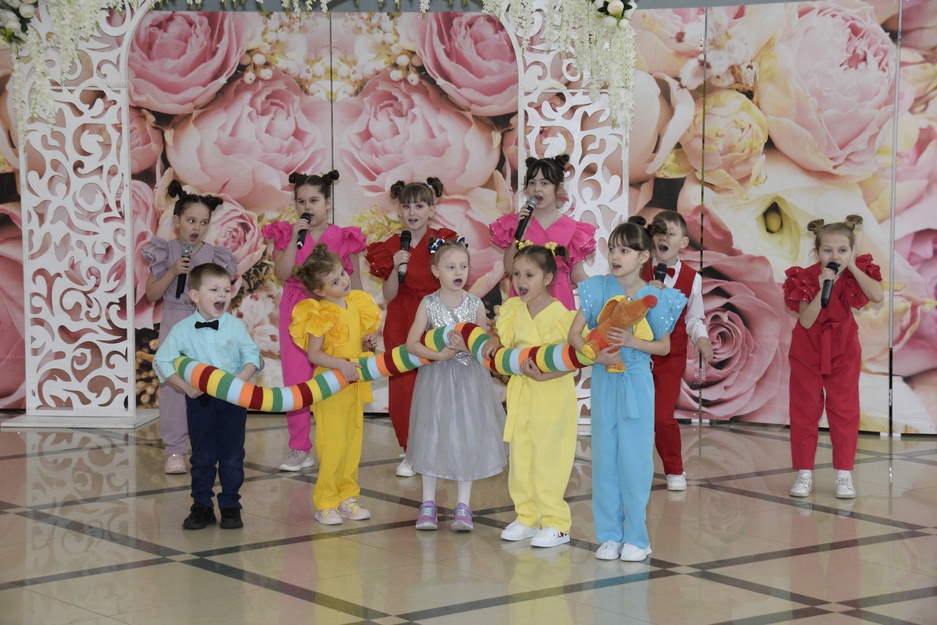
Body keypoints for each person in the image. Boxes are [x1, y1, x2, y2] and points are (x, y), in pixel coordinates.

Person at [568, 217, 686, 561]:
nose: (616, 257)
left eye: (625, 251)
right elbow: (574, 335)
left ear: (644, 257)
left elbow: (664, 346)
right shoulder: (597, 288)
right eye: (612, 250)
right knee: (605, 457)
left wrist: (634, 342)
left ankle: (637, 537)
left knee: (634, 460)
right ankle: (609, 535)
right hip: (604, 379)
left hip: (636, 381)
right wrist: (595, 355)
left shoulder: (654, 296)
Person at [261, 171, 367, 473]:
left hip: (335, 314)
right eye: (301, 201)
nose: (307, 207)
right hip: (296, 312)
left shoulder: (344, 237)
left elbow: (355, 284)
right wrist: (294, 239)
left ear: (328, 203)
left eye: (314, 200)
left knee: (337, 376)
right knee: (297, 379)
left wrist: (362, 322)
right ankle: (299, 448)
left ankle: (338, 444)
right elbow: (282, 274)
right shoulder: (288, 234)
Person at [403, 239, 507, 531]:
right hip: (436, 379)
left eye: (463, 266)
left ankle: (463, 505)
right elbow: (411, 343)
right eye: (450, 267)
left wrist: (468, 347)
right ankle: (428, 504)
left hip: (468, 380)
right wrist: (438, 355)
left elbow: (483, 346)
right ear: (436, 271)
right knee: (432, 435)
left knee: (466, 436)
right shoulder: (428, 303)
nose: (458, 272)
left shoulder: (475, 304)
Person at [152, 263, 263, 530]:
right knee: (202, 456)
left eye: (226, 289)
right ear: (195, 295)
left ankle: (231, 505)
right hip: (200, 401)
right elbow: (161, 361)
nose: (222, 295)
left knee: (232, 455)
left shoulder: (235, 326)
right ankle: (201, 505)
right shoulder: (182, 329)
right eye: (213, 290)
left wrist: (240, 380)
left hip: (233, 400)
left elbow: (253, 356)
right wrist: (185, 388)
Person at [782, 215, 882, 500]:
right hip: (807, 351)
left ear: (852, 251)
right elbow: (806, 320)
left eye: (842, 250)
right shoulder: (805, 277)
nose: (834, 256)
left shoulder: (853, 274)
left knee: (844, 411)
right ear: (817, 252)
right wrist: (822, 285)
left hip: (843, 350)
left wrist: (852, 266)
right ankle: (804, 473)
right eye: (828, 250)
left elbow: (877, 295)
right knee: (804, 412)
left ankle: (844, 475)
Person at [143, 180, 237, 475]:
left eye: (203, 222)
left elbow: (223, 296)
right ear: (177, 221)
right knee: (173, 386)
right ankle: (174, 450)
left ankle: (207, 446)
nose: (197, 227)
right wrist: (173, 271)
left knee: (208, 382)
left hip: (206, 324)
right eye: (191, 220)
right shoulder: (165, 251)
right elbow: (152, 294)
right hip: (174, 322)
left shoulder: (215, 255)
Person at [488, 243, 578, 548]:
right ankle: (526, 516)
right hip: (522, 393)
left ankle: (556, 523)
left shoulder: (562, 316)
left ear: (548, 278)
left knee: (549, 457)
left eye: (529, 275)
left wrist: (544, 375)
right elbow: (504, 340)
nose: (520, 281)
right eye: (516, 274)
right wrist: (493, 338)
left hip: (551, 393)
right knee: (522, 455)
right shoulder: (513, 309)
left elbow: (572, 360)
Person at [365, 179, 456, 477]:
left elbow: (454, 283)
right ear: (399, 211)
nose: (412, 212)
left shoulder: (442, 241)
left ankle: (439, 448)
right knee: (403, 386)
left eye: (419, 205)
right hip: (401, 319)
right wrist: (395, 266)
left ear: (432, 209)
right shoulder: (391, 246)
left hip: (434, 316)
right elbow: (389, 294)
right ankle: (410, 450)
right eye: (406, 206)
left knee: (438, 383)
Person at [289, 243, 381, 525]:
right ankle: (326, 502)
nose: (344, 281)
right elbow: (314, 354)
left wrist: (368, 343)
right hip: (330, 386)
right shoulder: (321, 313)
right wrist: (341, 364)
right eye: (334, 281)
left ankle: (347, 497)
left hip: (354, 383)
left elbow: (357, 342)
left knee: (352, 444)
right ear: (320, 291)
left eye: (342, 273)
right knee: (333, 445)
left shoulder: (355, 305)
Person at [641, 210, 714, 492]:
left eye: (670, 233)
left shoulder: (692, 278)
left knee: (662, 417)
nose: (663, 238)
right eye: (659, 232)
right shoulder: (639, 269)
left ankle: (674, 469)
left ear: (683, 242)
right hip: (637, 354)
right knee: (635, 415)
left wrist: (702, 339)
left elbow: (694, 318)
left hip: (670, 357)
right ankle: (634, 470)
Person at [489, 155, 597, 310]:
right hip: (524, 299)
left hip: (559, 301)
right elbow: (510, 268)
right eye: (532, 183)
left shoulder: (572, 229)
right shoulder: (517, 222)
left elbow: (578, 274)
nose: (537, 188)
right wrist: (519, 233)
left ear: (558, 188)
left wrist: (598, 290)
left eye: (544, 183)